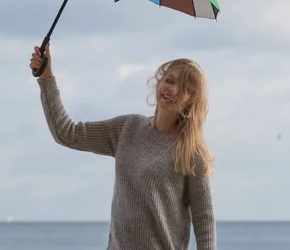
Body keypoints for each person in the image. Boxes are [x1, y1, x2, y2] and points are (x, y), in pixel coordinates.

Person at [30, 43, 216, 250]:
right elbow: (66, 133)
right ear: (158, 83)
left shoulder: (191, 153)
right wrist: (46, 78)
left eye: (183, 88)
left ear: (192, 101)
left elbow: (204, 223)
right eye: (169, 80)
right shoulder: (128, 128)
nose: (172, 89)